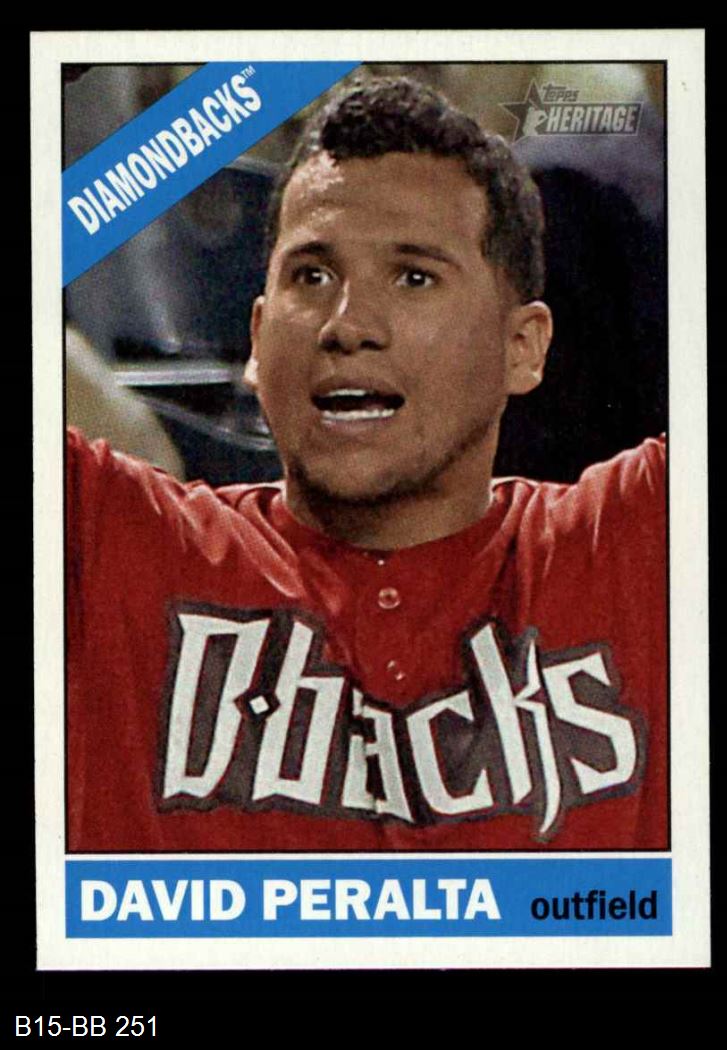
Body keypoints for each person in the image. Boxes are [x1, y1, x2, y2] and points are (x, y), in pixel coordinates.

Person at [66, 77, 666, 853]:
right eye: (311, 276)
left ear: (522, 347)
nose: (348, 326)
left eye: (414, 277)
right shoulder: (117, 547)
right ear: (258, 340)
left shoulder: (630, 546)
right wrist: (250, 82)